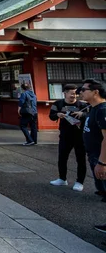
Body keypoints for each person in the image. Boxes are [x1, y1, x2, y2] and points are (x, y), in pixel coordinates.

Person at [78, 80, 106, 234]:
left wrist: (102, 162)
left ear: (96, 91)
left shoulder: (103, 109)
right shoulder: (93, 109)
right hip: (94, 154)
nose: (80, 92)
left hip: (101, 157)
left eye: (84, 89)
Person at [49, 84, 88, 192]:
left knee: (80, 159)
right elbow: (51, 116)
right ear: (65, 93)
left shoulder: (83, 105)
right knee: (62, 157)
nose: (73, 95)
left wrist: (82, 114)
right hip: (65, 135)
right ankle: (62, 178)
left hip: (80, 136)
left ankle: (80, 182)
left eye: (75, 93)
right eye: (71, 93)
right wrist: (58, 115)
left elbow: (90, 115)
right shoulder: (58, 103)